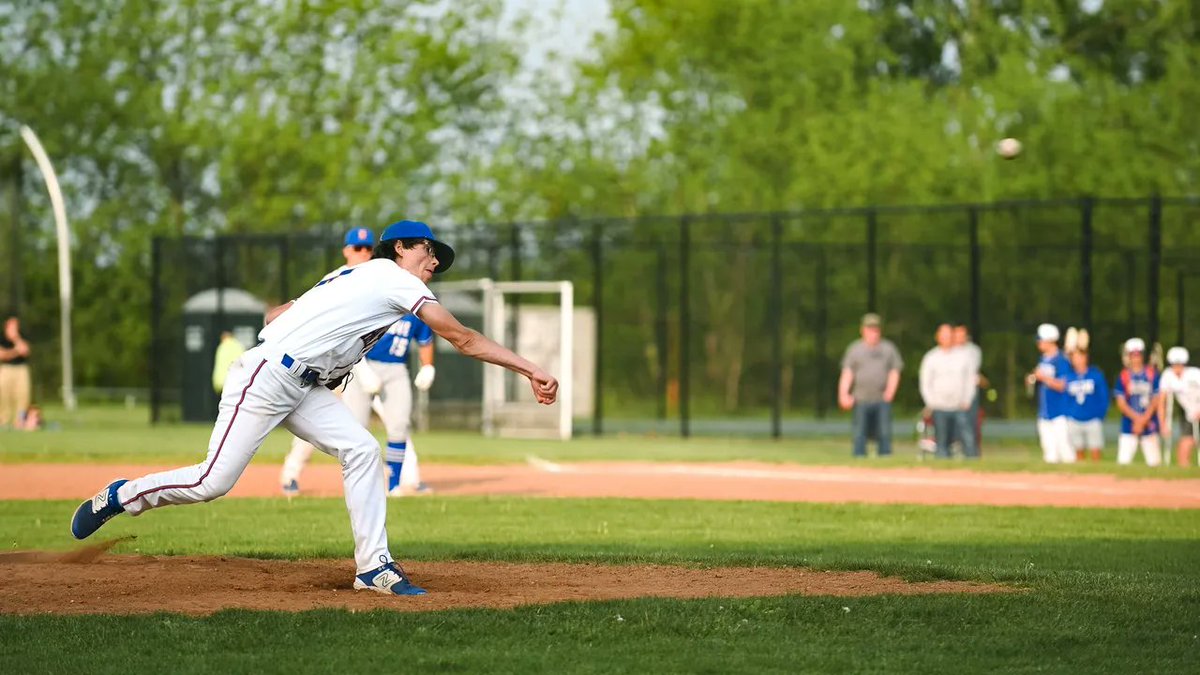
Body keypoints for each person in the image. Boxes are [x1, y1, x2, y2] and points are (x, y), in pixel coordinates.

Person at [70, 220, 559, 598]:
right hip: (268, 377)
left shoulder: (349, 274)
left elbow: (273, 314)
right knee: (210, 482)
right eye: (430, 251)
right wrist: (530, 368)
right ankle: (121, 496)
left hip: (304, 385)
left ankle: (373, 568)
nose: (434, 262)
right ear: (401, 249)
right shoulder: (393, 277)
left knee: (363, 450)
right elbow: (462, 337)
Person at [279, 227, 377, 495]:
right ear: (346, 250)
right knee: (310, 426)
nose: (364, 253)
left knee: (359, 427)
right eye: (358, 248)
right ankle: (291, 475)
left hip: (352, 368)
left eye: (368, 248)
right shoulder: (335, 278)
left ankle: (358, 483)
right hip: (324, 367)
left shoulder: (376, 280)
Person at [343, 313, 437, 496]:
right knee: (355, 429)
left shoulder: (418, 305)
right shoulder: (381, 296)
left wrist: (427, 366)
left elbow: (426, 339)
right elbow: (351, 335)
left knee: (399, 426)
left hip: (396, 369)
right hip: (362, 364)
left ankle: (393, 485)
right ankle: (359, 484)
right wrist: (361, 368)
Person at [838, 313, 903, 458]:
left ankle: (885, 457)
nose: (873, 333)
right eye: (870, 329)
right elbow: (847, 373)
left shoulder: (888, 349)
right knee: (859, 432)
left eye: (876, 329)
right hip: (860, 399)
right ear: (863, 330)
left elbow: (895, 371)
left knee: (884, 431)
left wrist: (890, 391)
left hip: (881, 398)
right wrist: (843, 394)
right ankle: (859, 457)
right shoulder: (855, 349)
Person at [918, 324, 977, 459]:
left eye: (949, 335)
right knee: (942, 442)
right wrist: (931, 402)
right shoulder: (931, 357)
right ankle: (942, 469)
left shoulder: (964, 357)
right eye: (943, 335)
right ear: (938, 337)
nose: (947, 338)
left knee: (967, 439)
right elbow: (925, 382)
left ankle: (973, 467)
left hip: (960, 406)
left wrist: (967, 399)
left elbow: (970, 380)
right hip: (939, 407)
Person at [1028, 323, 1073, 463]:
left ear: (1050, 340)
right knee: (1049, 453)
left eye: (1041, 339)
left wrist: (1043, 377)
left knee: (1065, 450)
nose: (1038, 342)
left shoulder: (1061, 360)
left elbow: (1062, 385)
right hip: (1044, 412)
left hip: (1059, 412)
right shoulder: (1042, 359)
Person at [1113, 337, 1162, 466]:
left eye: (1138, 354)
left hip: (1150, 424)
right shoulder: (1124, 376)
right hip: (1129, 425)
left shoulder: (1152, 374)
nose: (1135, 358)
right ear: (1128, 356)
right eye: (1132, 355)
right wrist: (1137, 419)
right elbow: (1121, 402)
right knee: (1123, 462)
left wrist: (1143, 419)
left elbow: (1156, 400)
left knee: (1154, 464)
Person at [1062, 346, 1108, 462]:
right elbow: (1065, 398)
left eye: (1079, 357)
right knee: (1078, 451)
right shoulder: (1069, 377)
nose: (1077, 360)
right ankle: (1081, 479)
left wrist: (1100, 415)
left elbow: (1103, 397)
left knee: (1095, 450)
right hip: (1075, 419)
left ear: (1085, 358)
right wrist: (1069, 414)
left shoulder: (1095, 375)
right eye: (1074, 357)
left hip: (1092, 419)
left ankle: (1097, 477)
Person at [1159, 346, 1200, 467]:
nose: (1177, 367)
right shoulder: (1167, 376)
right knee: (1186, 441)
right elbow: (1162, 401)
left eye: (1180, 364)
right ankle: (1184, 467)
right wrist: (1163, 424)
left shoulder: (1195, 374)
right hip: (1190, 414)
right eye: (1174, 364)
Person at [953, 323, 986, 452]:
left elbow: (971, 374)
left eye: (962, 335)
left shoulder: (973, 351)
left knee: (969, 425)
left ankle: (971, 453)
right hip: (952, 394)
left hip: (968, 394)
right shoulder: (949, 351)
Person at [0, 315, 32, 429]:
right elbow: (2, 355)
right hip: (6, 369)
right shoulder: (2, 338)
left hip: (21, 369)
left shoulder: (22, 336)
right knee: (3, 396)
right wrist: (15, 351)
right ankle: (3, 421)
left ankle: (20, 422)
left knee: (23, 396)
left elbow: (25, 350)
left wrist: (16, 338)